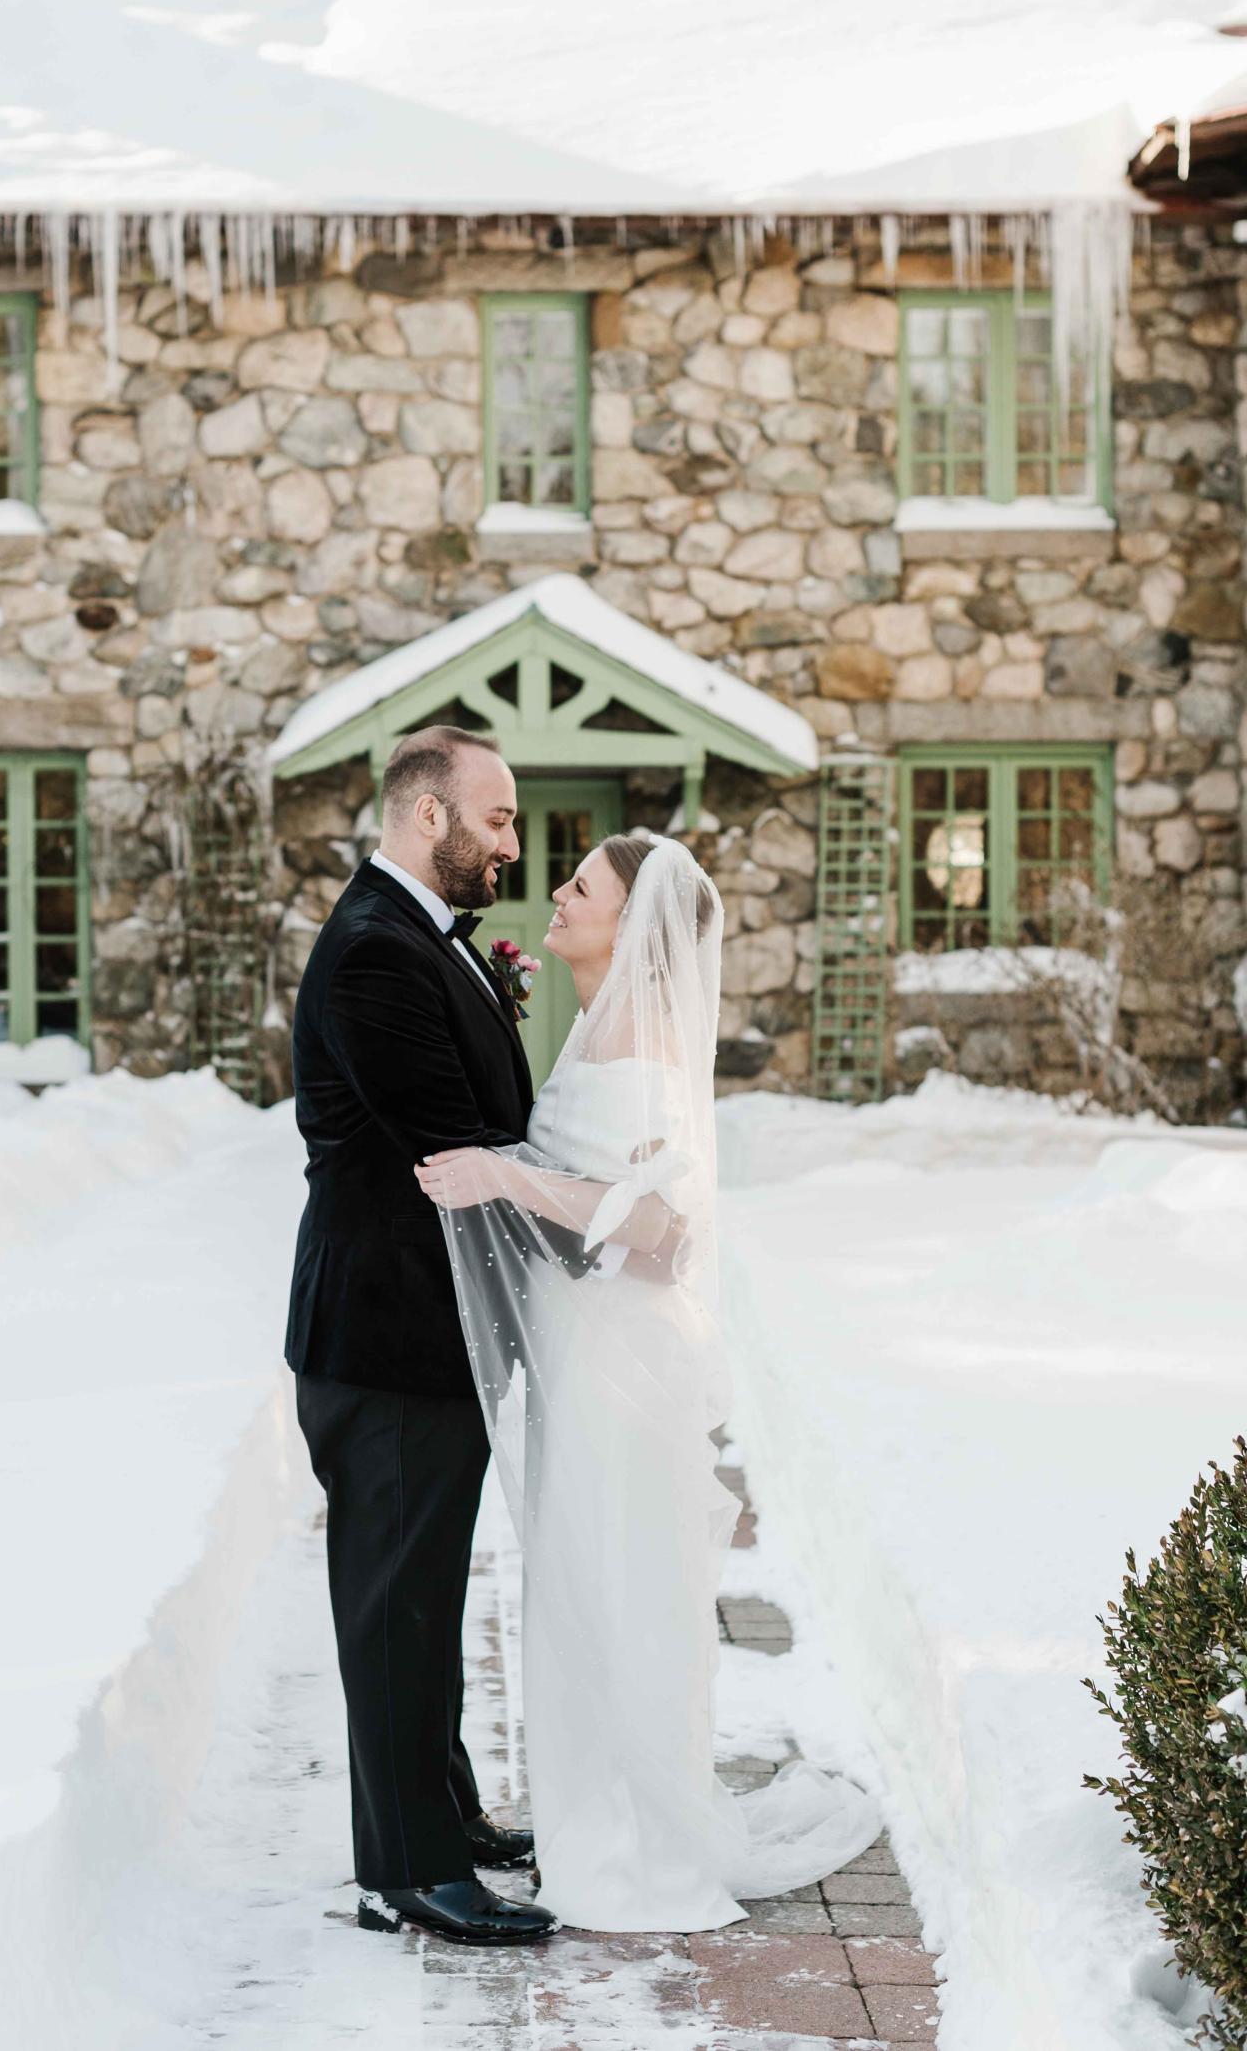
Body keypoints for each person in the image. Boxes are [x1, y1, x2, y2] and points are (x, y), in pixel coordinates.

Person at [415, 832, 882, 1931]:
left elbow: (663, 1232)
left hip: (623, 1363)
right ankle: (594, 1830)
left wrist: (504, 1178)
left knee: (617, 1586)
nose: (557, 893)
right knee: (582, 1585)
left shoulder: (644, 1051)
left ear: (632, 926)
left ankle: (632, 1853)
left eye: (582, 886)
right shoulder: (598, 1027)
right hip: (585, 1351)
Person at [287, 724, 557, 1945]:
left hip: (429, 1334)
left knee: (427, 1594)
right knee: (394, 1607)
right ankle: (408, 1871)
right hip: (388, 1337)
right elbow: (460, 1142)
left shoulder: (415, 937)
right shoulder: (373, 954)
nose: (513, 844)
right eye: (497, 819)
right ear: (427, 815)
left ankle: (442, 1810)